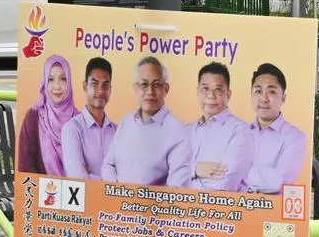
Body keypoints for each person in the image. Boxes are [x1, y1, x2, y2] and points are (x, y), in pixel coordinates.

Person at [100, 56, 191, 186]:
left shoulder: (178, 132)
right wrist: (118, 192)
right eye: (144, 84)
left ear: (166, 89)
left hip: (151, 206)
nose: (150, 91)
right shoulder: (126, 123)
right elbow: (108, 165)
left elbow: (176, 191)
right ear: (135, 88)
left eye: (156, 84)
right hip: (116, 203)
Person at [239, 63, 305, 194]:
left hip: (271, 209)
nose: (264, 99)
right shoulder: (239, 133)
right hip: (236, 209)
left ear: (283, 98)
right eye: (258, 91)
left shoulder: (295, 137)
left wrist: (240, 173)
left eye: (271, 91)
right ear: (251, 96)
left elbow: (278, 183)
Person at [186, 62, 252, 191]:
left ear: (228, 94)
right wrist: (196, 169)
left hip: (219, 209)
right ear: (197, 92)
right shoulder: (185, 131)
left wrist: (181, 183)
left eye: (218, 89)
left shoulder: (240, 131)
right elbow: (166, 174)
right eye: (205, 89)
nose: (211, 96)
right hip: (181, 209)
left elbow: (222, 186)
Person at [17, 55, 79, 175]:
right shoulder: (33, 118)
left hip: (77, 191)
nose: (57, 86)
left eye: (63, 79)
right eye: (50, 79)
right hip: (44, 191)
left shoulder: (80, 121)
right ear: (44, 83)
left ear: (69, 82)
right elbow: (26, 167)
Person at [60, 57, 117, 179]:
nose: (101, 90)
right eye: (94, 84)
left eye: (105, 85)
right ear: (85, 86)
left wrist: (91, 175)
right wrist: (112, 183)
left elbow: (126, 174)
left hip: (115, 198)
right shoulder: (72, 129)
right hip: (84, 198)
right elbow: (78, 177)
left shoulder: (117, 132)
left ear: (110, 89)